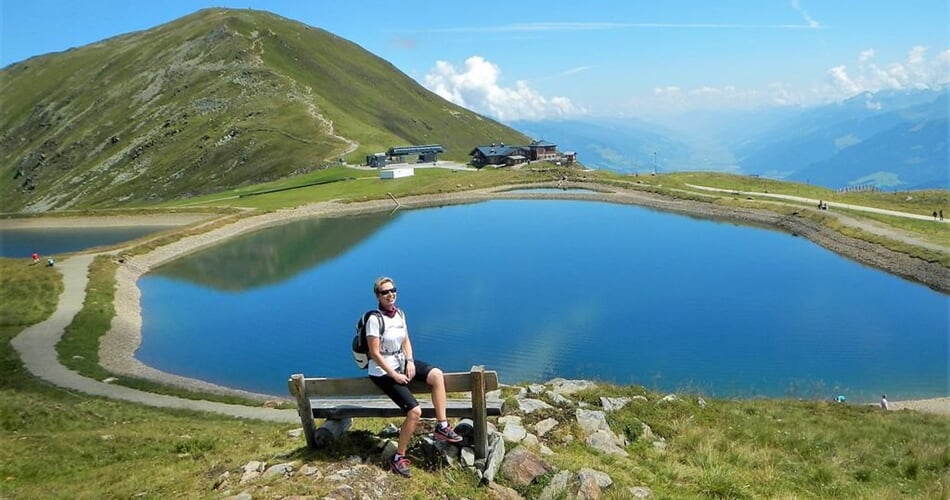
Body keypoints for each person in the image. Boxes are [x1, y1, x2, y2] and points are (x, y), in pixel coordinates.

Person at [365, 276, 463, 478]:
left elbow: (406, 340)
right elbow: (374, 353)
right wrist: (394, 375)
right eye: (385, 292)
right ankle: (398, 457)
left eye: (393, 290)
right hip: (383, 371)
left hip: (401, 362)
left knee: (437, 375)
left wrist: (409, 361)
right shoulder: (374, 320)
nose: (390, 294)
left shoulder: (399, 314)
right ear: (378, 296)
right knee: (415, 411)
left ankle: (442, 426)